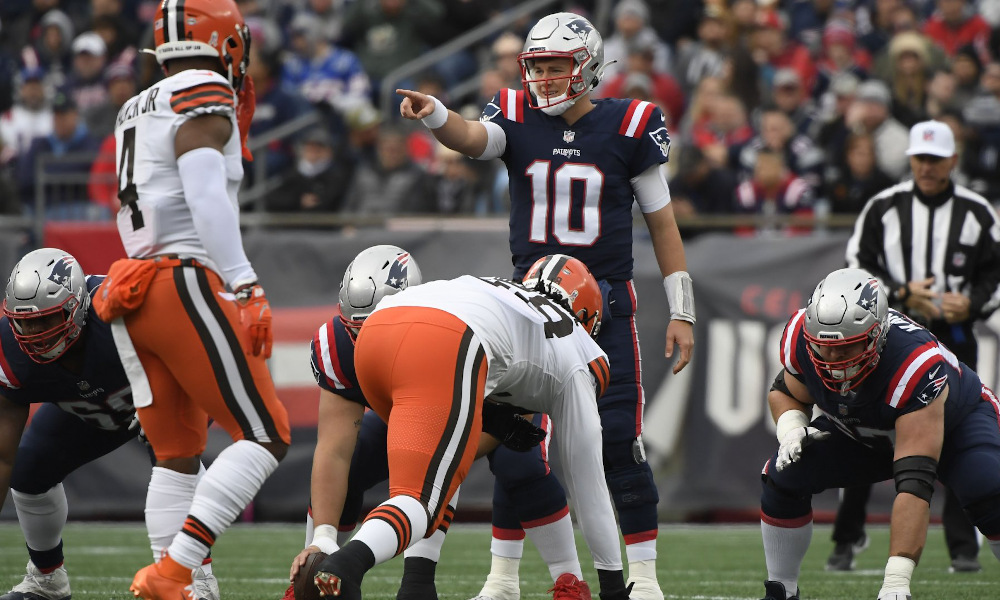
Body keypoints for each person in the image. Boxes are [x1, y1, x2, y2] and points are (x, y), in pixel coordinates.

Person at [397, 13, 696, 600]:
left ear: (585, 66)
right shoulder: (515, 115)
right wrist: (435, 114)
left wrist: (681, 310)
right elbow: (473, 139)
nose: (544, 79)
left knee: (617, 442)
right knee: (517, 443)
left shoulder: (631, 124)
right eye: (536, 67)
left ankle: (644, 576)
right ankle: (503, 575)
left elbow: (663, 224)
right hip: (526, 311)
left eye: (555, 67)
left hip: (604, 309)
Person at [96, 0, 291, 597]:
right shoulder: (205, 86)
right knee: (265, 434)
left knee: (176, 453)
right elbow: (205, 194)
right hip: (182, 280)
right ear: (226, 39)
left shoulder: (138, 101)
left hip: (133, 288)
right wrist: (245, 282)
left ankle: (183, 588)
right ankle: (175, 572)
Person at [307, 255, 631, 600]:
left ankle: (414, 586)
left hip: (377, 332)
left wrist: (491, 417)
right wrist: (612, 588)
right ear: (586, 318)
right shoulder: (582, 354)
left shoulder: (500, 294)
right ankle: (345, 566)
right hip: (446, 338)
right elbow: (588, 481)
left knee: (436, 471)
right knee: (418, 498)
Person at [758, 267, 1000, 600]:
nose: (833, 361)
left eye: (846, 349)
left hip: (954, 422)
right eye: (823, 349)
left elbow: (915, 484)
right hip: (865, 428)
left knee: (987, 489)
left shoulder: (913, 364)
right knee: (783, 473)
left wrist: (896, 581)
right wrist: (791, 428)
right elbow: (785, 391)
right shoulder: (800, 335)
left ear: (877, 335)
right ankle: (781, 591)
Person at [0, 248, 218, 600]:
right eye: (23, 321)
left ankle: (194, 576)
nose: (32, 333)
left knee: (173, 456)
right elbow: (2, 459)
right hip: (92, 412)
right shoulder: (10, 348)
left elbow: (195, 351)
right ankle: (47, 579)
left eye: (46, 320)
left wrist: (167, 403)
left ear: (78, 308)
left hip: (165, 395)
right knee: (27, 470)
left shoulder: (122, 313)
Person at [843, 119, 1000, 573]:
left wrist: (970, 303)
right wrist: (898, 292)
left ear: (953, 160)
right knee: (864, 429)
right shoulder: (883, 207)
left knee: (955, 436)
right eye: (920, 158)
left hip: (952, 340)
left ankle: (962, 548)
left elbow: (995, 272)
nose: (927, 167)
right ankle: (846, 536)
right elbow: (857, 266)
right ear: (910, 159)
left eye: (936, 159)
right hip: (888, 338)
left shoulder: (977, 211)